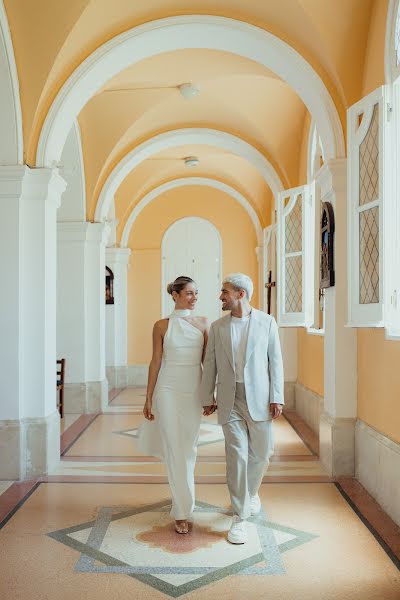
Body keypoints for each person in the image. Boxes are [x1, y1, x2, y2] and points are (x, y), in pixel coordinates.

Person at [201, 273, 284, 544]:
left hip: (259, 397)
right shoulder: (218, 327)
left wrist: (277, 396)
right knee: (236, 456)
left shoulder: (267, 322)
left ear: (240, 293)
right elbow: (210, 363)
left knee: (262, 453)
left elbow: (275, 363)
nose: (220, 297)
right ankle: (240, 517)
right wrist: (207, 395)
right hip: (229, 397)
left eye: (224, 292)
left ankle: (250, 493)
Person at [138, 276, 210, 534]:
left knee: (188, 447)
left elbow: (207, 364)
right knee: (173, 446)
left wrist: (209, 395)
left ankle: (184, 502)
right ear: (176, 295)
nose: (194, 298)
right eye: (189, 293)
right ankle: (181, 511)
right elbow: (155, 362)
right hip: (166, 389)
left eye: (196, 293)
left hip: (192, 389)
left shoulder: (203, 324)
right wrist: (148, 397)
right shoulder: (160, 326)